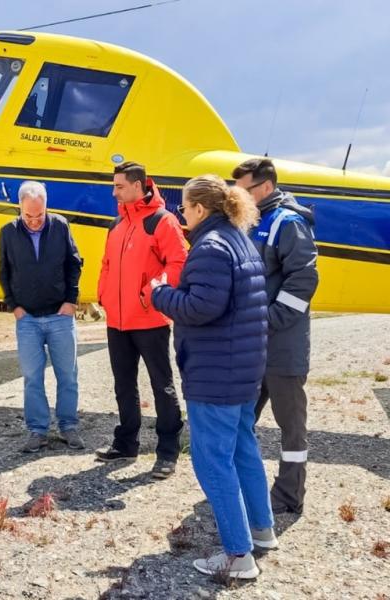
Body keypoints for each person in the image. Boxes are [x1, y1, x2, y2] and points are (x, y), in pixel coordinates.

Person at [151, 174, 275, 580]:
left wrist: (159, 294)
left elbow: (200, 307)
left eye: (184, 206)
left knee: (212, 460)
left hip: (215, 372)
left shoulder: (209, 248)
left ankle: (238, 556)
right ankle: (262, 530)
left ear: (200, 209)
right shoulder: (239, 241)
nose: (180, 213)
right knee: (243, 449)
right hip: (242, 368)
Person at [233, 158, 319, 514]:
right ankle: (243, 484)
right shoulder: (251, 222)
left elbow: (304, 279)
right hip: (253, 345)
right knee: (241, 418)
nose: (235, 196)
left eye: (241, 190)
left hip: (283, 345)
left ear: (264, 188)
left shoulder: (289, 222)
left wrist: (270, 319)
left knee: (290, 427)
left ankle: (288, 495)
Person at [95, 161, 187, 478]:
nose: (114, 192)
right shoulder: (116, 225)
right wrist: (104, 294)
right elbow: (106, 264)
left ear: (138, 185)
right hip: (117, 322)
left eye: (119, 186)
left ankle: (167, 452)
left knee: (161, 386)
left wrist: (149, 293)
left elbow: (178, 264)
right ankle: (126, 443)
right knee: (123, 386)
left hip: (150, 320)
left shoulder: (163, 221)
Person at [0, 180, 84, 453]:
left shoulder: (60, 225)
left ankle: (68, 426)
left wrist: (71, 301)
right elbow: (4, 272)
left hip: (60, 315)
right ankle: (37, 431)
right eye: (28, 216)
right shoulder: (7, 232)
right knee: (32, 377)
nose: (35, 222)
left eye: (40, 215)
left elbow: (74, 263)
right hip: (28, 320)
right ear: (19, 209)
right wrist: (15, 306)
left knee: (67, 375)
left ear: (46, 207)